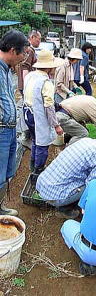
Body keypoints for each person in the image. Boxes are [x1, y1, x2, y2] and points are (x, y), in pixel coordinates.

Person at [36, 137, 96, 217]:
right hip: (54, 196)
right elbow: (94, 186)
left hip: (42, 183)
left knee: (83, 178)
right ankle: (64, 208)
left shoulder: (87, 140)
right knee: (90, 186)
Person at [0, 29, 29, 215]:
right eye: (23, 52)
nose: (24, 57)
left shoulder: (7, 70)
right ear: (12, 50)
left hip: (10, 130)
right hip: (1, 130)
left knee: (7, 172)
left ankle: (0, 207)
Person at [23, 50, 64, 181]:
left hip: (27, 114)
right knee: (43, 144)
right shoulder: (46, 83)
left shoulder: (30, 76)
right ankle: (37, 173)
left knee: (36, 139)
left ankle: (33, 165)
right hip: (37, 116)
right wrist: (56, 125)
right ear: (49, 67)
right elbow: (49, 107)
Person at [17, 29, 41, 95]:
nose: (39, 42)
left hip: (23, 85)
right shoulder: (29, 50)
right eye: (38, 39)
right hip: (26, 85)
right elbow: (25, 68)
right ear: (33, 37)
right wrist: (27, 86)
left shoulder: (26, 48)